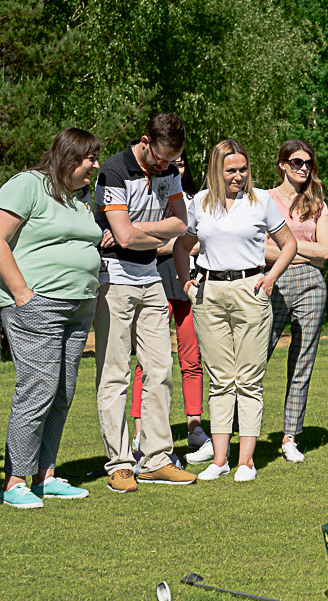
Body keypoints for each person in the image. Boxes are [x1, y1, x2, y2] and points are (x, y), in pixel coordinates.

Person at [0, 128, 105, 508]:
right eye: (91, 158)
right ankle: (14, 482)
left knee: (63, 392)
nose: (96, 165)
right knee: (37, 389)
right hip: (38, 304)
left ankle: (44, 475)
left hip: (77, 305)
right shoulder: (27, 185)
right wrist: (22, 292)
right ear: (70, 157)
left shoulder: (77, 197)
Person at [173, 140, 297, 481]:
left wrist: (271, 277)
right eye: (231, 170)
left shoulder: (262, 201)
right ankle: (220, 460)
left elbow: (289, 244)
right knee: (220, 380)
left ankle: (246, 462)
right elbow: (182, 246)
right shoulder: (199, 202)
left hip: (251, 291)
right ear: (216, 170)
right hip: (209, 293)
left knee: (249, 380)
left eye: (243, 169)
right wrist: (186, 281)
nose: (238, 176)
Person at [93, 113, 196, 491]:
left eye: (172, 160)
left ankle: (155, 459)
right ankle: (119, 464)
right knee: (115, 373)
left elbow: (179, 224)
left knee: (160, 370)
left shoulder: (168, 171)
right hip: (114, 279)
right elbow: (120, 236)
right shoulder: (113, 171)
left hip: (150, 276)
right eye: (159, 158)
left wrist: (135, 231)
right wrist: (132, 232)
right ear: (145, 141)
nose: (165, 167)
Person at [131, 152, 210, 465]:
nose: (177, 165)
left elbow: (202, 240)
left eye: (181, 160)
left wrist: (169, 240)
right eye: (170, 160)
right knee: (148, 359)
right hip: (153, 280)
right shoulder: (149, 196)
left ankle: (194, 427)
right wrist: (177, 240)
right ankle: (140, 431)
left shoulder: (196, 198)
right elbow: (140, 240)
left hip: (189, 282)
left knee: (192, 358)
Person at [264, 139, 328, 464]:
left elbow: (325, 252)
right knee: (255, 357)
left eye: (307, 162)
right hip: (272, 281)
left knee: (302, 361)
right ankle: (235, 430)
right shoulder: (265, 199)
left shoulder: (316, 203)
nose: (303, 168)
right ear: (282, 164)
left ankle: (290, 435)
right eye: (296, 162)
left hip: (311, 286)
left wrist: (287, 246)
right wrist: (302, 247)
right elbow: (259, 249)